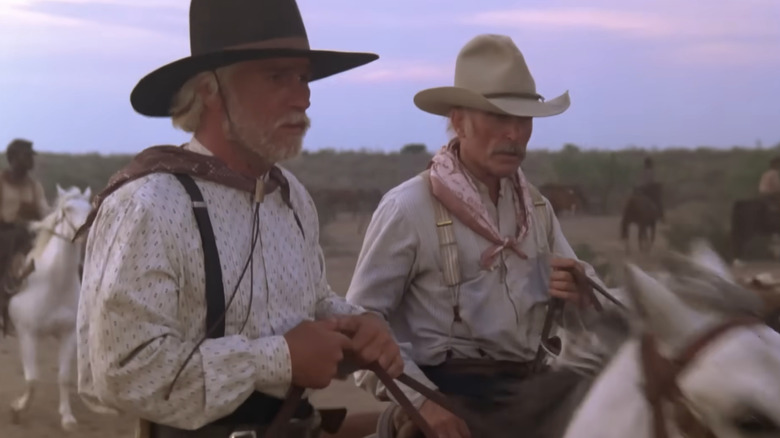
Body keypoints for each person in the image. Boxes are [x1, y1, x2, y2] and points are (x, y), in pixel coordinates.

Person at [75, 1, 403, 437]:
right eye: (276, 76)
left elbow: (310, 300)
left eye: (303, 77)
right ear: (210, 90)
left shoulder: (290, 197)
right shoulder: (149, 204)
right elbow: (122, 372)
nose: (303, 96)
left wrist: (357, 325)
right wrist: (280, 358)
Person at [346, 34, 608, 438]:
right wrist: (423, 403)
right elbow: (360, 322)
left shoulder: (535, 210)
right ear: (458, 121)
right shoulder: (408, 208)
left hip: (530, 396)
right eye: (498, 118)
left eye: (523, 120)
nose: (513, 134)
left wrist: (581, 291)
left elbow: (589, 297)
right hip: (444, 398)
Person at [0, 139, 49, 302]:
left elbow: (44, 212)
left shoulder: (34, 186)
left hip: (28, 234)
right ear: (13, 157)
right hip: (4, 234)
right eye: (26, 156)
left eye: (31, 156)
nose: (31, 160)